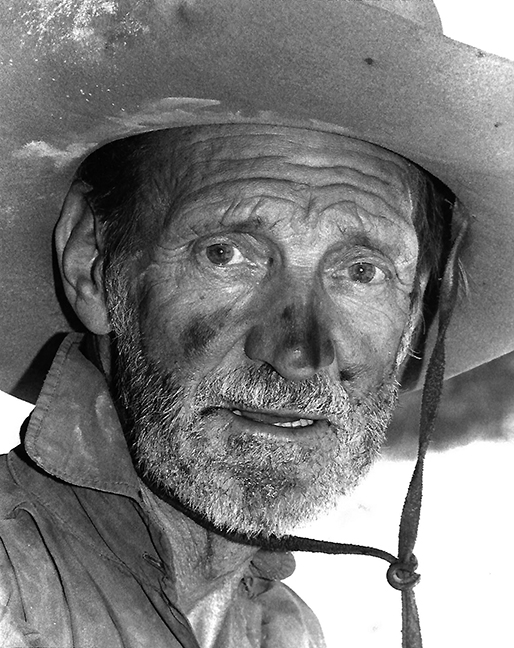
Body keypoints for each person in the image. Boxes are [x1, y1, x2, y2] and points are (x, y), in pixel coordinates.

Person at [0, 1, 513, 647]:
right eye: (227, 254)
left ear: (418, 311)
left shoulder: (282, 629)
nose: (301, 353)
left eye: (362, 271)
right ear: (92, 265)